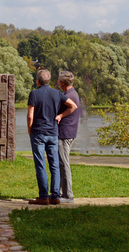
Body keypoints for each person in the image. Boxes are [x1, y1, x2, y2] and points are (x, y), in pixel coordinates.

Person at [27, 69, 78, 205]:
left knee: (40, 165)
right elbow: (73, 106)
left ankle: (43, 196)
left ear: (38, 81)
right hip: (53, 134)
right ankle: (55, 196)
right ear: (49, 81)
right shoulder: (57, 93)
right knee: (54, 165)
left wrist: (30, 130)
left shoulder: (34, 93)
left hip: (38, 133)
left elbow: (30, 115)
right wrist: (61, 116)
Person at [57, 71, 81, 203]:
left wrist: (60, 116)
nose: (57, 83)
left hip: (65, 134)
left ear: (62, 83)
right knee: (61, 163)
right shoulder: (71, 93)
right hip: (69, 133)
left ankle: (68, 195)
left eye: (58, 81)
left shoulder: (70, 96)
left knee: (63, 163)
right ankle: (61, 193)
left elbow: (73, 107)